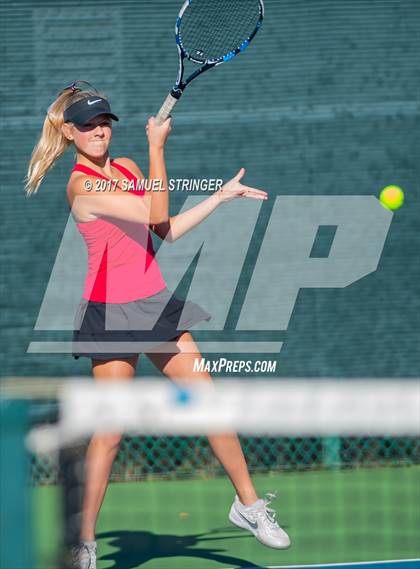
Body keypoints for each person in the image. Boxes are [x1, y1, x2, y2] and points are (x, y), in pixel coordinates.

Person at [26, 81, 290, 568]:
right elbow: (156, 209)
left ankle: (249, 506)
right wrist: (156, 146)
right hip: (109, 314)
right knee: (110, 432)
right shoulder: (83, 186)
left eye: (104, 122)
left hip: (154, 303)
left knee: (208, 402)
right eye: (88, 125)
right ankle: (82, 540)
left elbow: (163, 230)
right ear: (69, 132)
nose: (100, 131)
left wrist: (218, 198)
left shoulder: (124, 169)